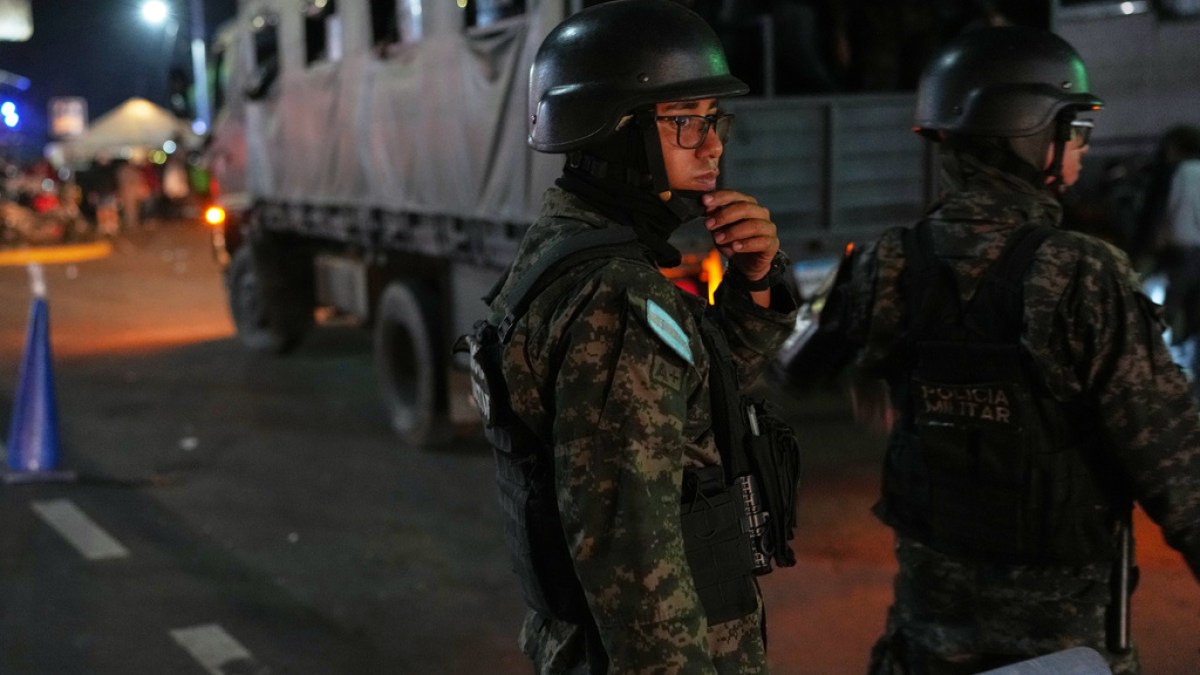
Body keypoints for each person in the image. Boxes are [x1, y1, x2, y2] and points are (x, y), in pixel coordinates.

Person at [814, 26, 1200, 674]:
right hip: (1059, 645)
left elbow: (829, 367)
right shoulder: (1081, 273)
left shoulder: (888, 259)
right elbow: (1174, 463)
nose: (1083, 147)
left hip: (928, 636)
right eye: (1075, 129)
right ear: (1029, 132)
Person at [464, 1, 801, 672]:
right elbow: (636, 553)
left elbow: (692, 402)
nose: (713, 144)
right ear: (617, 130)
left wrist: (755, 283)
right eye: (686, 121)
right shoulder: (616, 297)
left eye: (714, 119)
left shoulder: (569, 245)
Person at [1133, 125, 1200, 393]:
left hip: (1180, 254)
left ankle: (1167, 375)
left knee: (1167, 314)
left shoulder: (1176, 173)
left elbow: (1158, 213)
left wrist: (1145, 249)